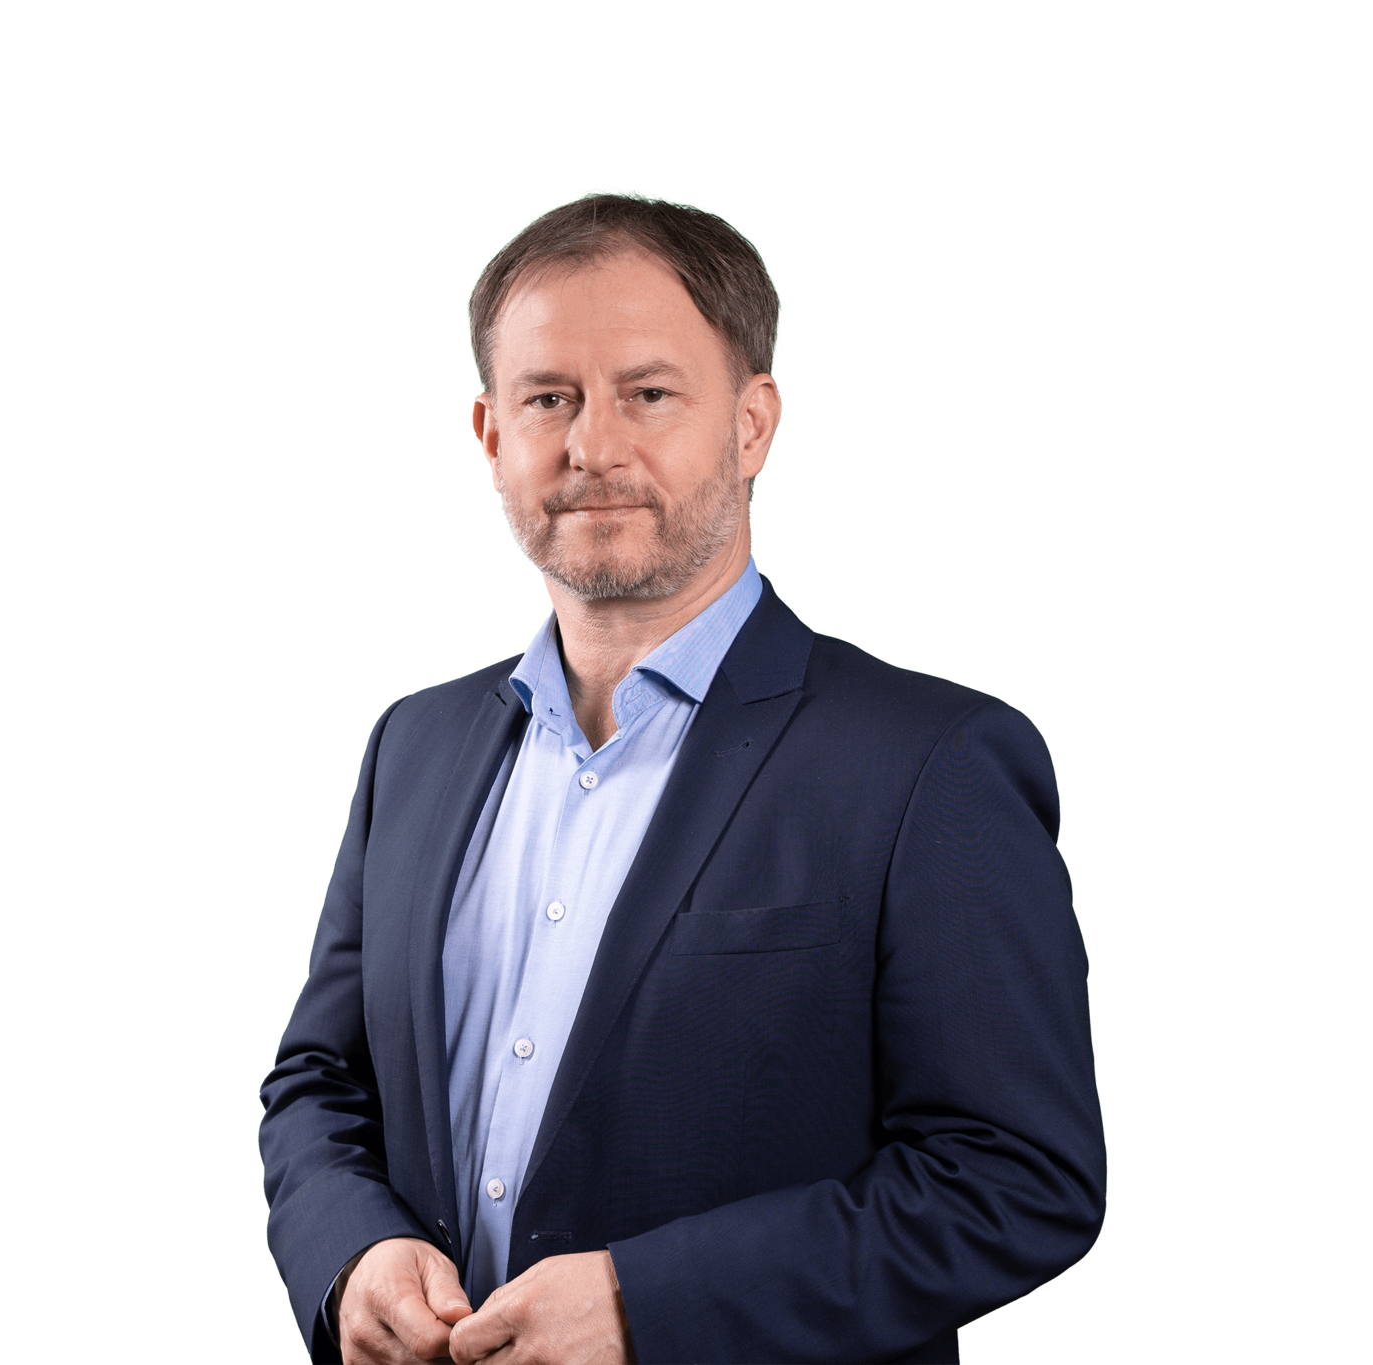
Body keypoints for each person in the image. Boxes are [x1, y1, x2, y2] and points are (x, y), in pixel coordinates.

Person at [259, 192, 1106, 1365]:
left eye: (648, 394)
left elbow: (1013, 1179)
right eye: (548, 398)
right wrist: (352, 1252)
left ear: (752, 425)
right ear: (490, 435)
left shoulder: (930, 763)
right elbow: (317, 1078)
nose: (592, 447)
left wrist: (647, 1306)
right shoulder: (413, 743)